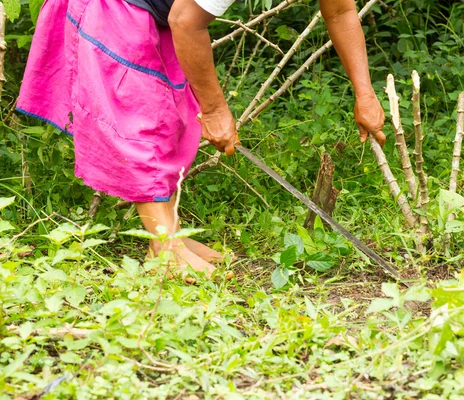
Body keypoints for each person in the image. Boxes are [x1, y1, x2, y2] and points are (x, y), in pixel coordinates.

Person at [16, 0, 386, 279]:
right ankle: (165, 251)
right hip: (113, 7)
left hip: (161, 15)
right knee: (139, 122)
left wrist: (365, 93)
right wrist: (214, 110)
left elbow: (339, 11)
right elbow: (185, 21)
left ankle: (167, 235)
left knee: (173, 121)